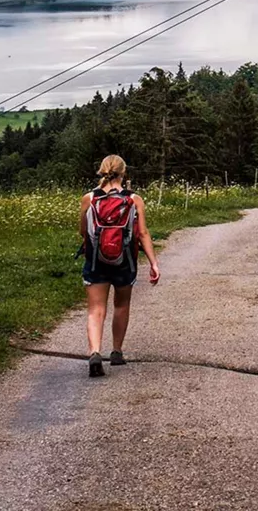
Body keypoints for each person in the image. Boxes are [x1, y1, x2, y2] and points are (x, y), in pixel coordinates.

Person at [79, 155, 160, 377]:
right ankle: (116, 352)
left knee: (96, 309)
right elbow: (142, 233)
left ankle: (95, 352)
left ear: (102, 171)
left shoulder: (89, 198)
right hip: (125, 260)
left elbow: (83, 231)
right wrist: (153, 263)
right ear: (124, 173)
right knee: (121, 305)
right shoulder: (134, 199)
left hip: (96, 260)